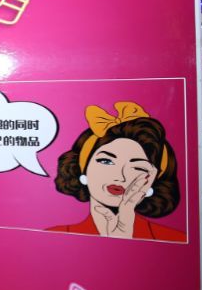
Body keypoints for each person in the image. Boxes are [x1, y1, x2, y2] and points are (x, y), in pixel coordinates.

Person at [48, 101, 184, 242]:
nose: (120, 177)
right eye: (106, 161)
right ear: (83, 167)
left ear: (153, 179)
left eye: (138, 167)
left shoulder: (176, 239)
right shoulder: (55, 236)